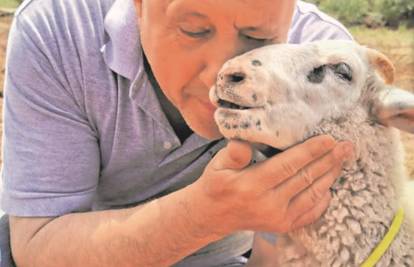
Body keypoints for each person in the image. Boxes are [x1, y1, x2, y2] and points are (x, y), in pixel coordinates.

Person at [1, 0, 354, 266]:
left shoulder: (324, 68)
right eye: (194, 31)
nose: (219, 76)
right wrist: (205, 214)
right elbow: (37, 244)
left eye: (257, 37)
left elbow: (289, 244)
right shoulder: (59, 30)